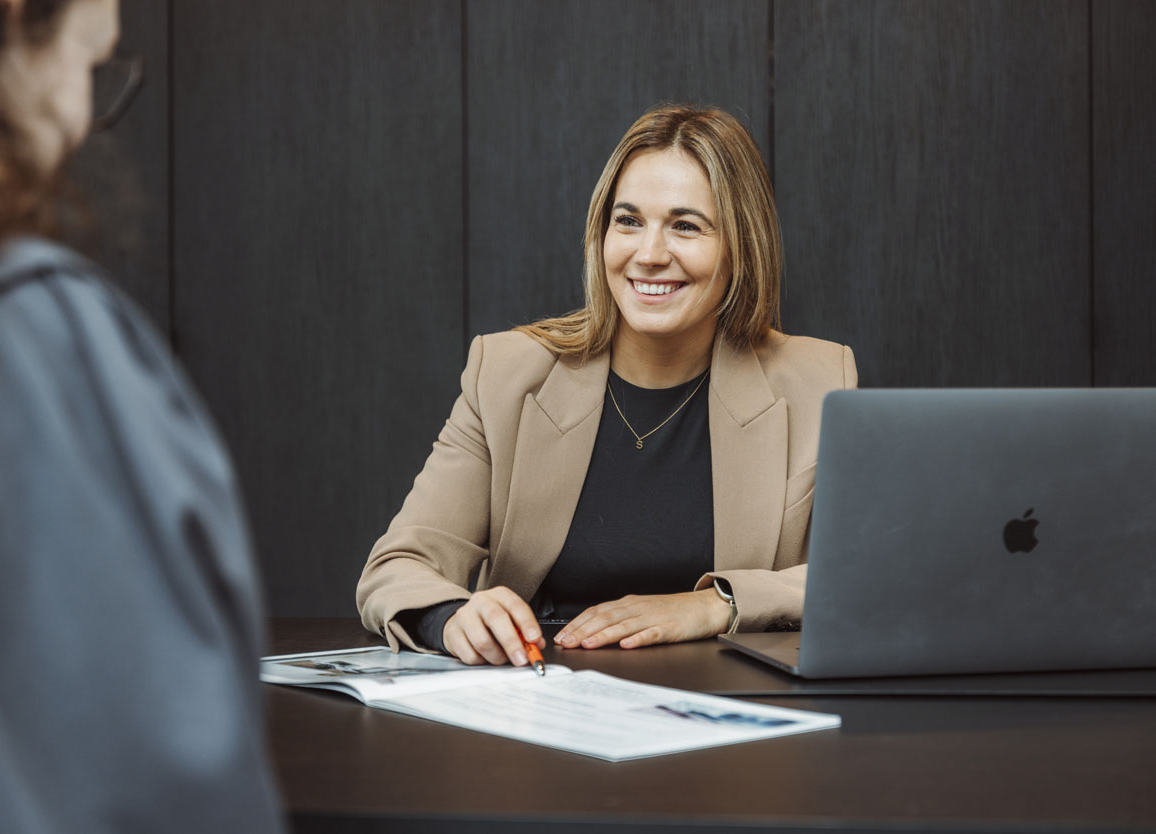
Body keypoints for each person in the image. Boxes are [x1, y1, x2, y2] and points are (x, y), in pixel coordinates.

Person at [0, 1, 284, 832]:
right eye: (90, 66)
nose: (83, 123)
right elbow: (157, 779)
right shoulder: (33, 340)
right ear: (13, 28)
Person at [357, 103, 857, 668]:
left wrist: (715, 605)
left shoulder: (817, 382)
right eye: (628, 221)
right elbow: (396, 567)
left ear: (741, 245)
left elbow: (869, 574)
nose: (649, 255)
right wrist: (451, 618)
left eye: (686, 226)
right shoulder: (507, 373)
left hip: (732, 715)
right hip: (544, 709)